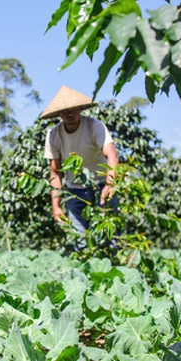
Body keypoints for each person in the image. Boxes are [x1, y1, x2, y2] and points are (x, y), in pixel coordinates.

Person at [40, 86, 119, 249]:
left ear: (80, 108)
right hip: (75, 190)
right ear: (59, 114)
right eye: (65, 111)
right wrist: (56, 206)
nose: (70, 114)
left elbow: (112, 155)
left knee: (108, 238)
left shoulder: (94, 126)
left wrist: (110, 184)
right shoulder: (53, 135)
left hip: (101, 185)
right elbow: (55, 172)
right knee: (80, 240)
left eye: (73, 109)